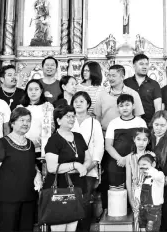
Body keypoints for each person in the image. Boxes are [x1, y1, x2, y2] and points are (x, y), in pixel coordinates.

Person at [0, 107, 42, 232]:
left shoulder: (31, 144)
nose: (26, 123)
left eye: (28, 120)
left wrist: (38, 173)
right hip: (7, 200)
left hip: (29, 198)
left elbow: (32, 165)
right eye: (22, 120)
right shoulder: (1, 144)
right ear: (12, 123)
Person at [43, 105, 92, 232]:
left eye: (72, 116)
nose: (71, 119)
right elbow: (52, 167)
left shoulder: (78, 137)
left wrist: (83, 168)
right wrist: (75, 165)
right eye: (67, 116)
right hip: (59, 187)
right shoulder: (53, 140)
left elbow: (88, 159)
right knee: (59, 224)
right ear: (58, 120)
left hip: (77, 185)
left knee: (73, 225)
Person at [70, 91, 104, 231]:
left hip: (89, 169)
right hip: (69, 169)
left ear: (88, 104)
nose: (78, 103)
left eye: (81, 101)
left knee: (84, 201)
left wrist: (91, 165)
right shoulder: (68, 120)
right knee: (70, 202)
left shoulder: (94, 123)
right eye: (75, 101)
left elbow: (99, 146)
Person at [105, 94, 147, 189]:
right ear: (117, 108)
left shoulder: (140, 122)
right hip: (117, 163)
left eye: (127, 105)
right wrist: (120, 159)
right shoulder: (113, 123)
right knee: (117, 196)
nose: (124, 108)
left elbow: (144, 144)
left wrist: (127, 159)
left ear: (133, 106)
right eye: (121, 105)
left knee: (136, 192)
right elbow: (108, 146)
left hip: (137, 162)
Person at [94, 64, 144, 132]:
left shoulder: (133, 94)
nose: (110, 78)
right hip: (105, 133)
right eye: (109, 75)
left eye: (113, 76)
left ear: (122, 77)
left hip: (128, 134)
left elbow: (138, 117)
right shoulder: (102, 94)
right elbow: (98, 117)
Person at [19, 79, 54, 157]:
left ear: (41, 91)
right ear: (26, 91)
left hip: (41, 149)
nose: (33, 92)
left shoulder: (47, 107)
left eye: (36, 89)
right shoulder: (20, 108)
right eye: (30, 89)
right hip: (22, 148)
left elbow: (51, 129)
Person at [126, 128, 153, 230]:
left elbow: (153, 177)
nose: (141, 142)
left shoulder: (151, 156)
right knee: (138, 220)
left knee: (149, 221)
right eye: (138, 139)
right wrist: (131, 199)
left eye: (144, 140)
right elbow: (128, 180)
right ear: (134, 139)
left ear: (148, 141)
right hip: (135, 193)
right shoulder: (129, 157)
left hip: (149, 193)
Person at [124, 54, 162, 125]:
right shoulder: (126, 83)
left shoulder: (154, 84)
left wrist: (155, 123)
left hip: (149, 124)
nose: (145, 67)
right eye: (141, 64)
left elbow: (158, 108)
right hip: (128, 123)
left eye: (147, 64)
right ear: (134, 66)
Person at [137, 154, 165, 232]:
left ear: (153, 164)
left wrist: (150, 169)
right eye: (140, 165)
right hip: (142, 209)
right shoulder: (145, 179)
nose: (142, 167)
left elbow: (156, 175)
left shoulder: (159, 176)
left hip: (153, 210)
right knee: (142, 228)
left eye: (144, 164)